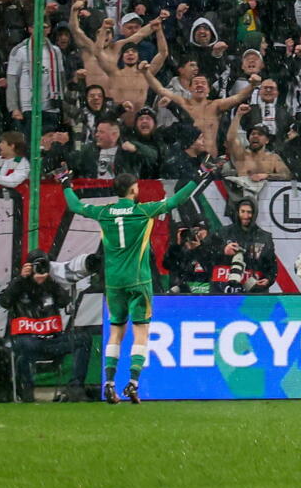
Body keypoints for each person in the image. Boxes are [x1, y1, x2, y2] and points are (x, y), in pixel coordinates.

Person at [59, 168, 206, 402]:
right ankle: (133, 383)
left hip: (114, 283)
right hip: (138, 280)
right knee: (141, 332)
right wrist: (200, 174)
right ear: (133, 189)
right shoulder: (143, 211)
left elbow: (76, 206)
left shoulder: (104, 212)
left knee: (116, 332)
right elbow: (178, 199)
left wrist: (65, 182)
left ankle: (108, 382)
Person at [0, 248, 93, 402]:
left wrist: (50, 280)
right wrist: (21, 279)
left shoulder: (51, 285)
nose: (40, 271)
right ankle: (26, 389)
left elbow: (64, 302)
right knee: (22, 346)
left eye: (44, 266)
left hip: (53, 340)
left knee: (83, 339)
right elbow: (4, 302)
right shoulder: (19, 285)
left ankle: (75, 387)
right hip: (28, 341)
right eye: (37, 266)